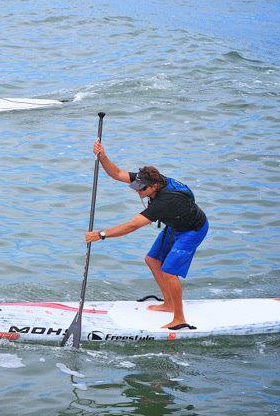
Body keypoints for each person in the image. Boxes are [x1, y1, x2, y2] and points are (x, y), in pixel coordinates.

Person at [85, 140, 209, 330]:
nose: (138, 191)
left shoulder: (165, 201)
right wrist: (102, 156)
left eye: (142, 189)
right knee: (152, 260)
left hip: (193, 230)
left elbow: (132, 226)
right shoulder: (149, 179)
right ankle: (168, 304)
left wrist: (101, 234)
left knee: (169, 271)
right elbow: (117, 174)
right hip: (175, 225)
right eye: (137, 187)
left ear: (154, 186)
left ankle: (179, 318)